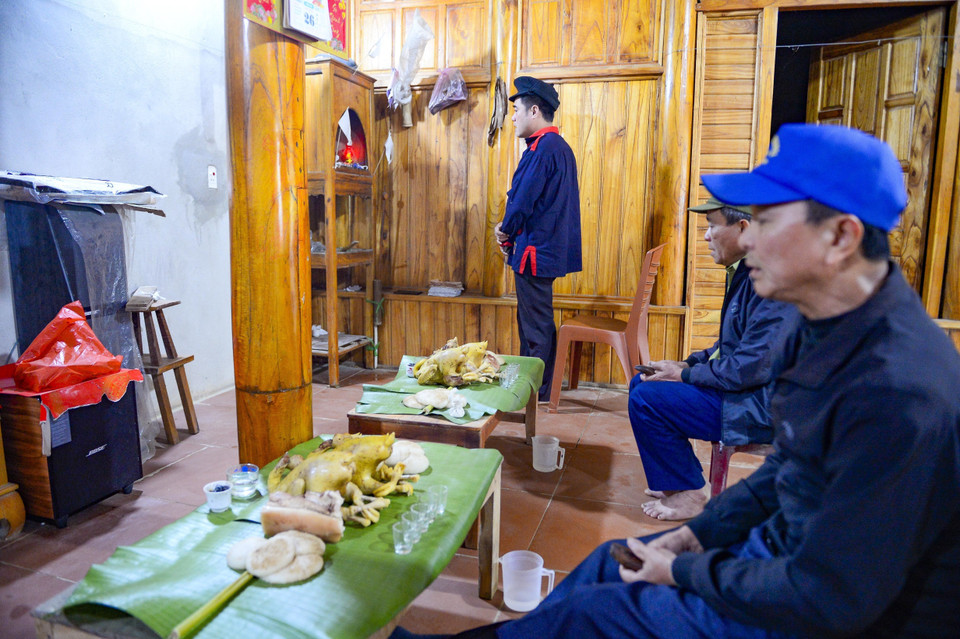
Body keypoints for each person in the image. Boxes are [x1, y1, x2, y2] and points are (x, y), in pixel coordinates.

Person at [391, 124, 960, 638]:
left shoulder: (898, 391)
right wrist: (697, 534)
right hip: (782, 559)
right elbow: (787, 469)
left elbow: (832, 597)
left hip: (820, 611)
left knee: (598, 615)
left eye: (765, 220)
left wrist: (687, 569)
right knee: (611, 559)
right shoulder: (820, 324)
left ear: (840, 236)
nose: (748, 238)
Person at [631, 197, 797, 521]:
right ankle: (675, 481)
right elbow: (729, 346)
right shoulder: (746, 271)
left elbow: (747, 369)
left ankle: (693, 493)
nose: (706, 236)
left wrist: (685, 376)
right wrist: (687, 365)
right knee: (643, 382)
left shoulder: (770, 282)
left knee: (647, 400)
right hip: (744, 391)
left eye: (712, 226)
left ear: (743, 228)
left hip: (758, 406)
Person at [494, 76, 581, 402]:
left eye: (516, 110)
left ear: (534, 110)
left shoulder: (542, 150)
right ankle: (535, 385)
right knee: (538, 320)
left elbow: (522, 202)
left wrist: (505, 228)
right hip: (546, 250)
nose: (512, 116)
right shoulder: (558, 148)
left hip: (534, 251)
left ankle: (535, 390)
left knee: (535, 325)